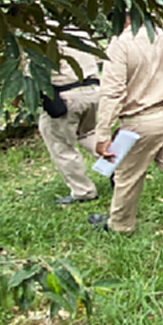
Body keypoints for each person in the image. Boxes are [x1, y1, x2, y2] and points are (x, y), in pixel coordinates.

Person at [88, 14, 163, 243]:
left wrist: (103, 133)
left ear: (126, 15)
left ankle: (120, 226)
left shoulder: (121, 44)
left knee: (127, 176)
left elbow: (112, 93)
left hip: (138, 120)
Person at [38, 27, 102, 205]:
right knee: (88, 133)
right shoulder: (77, 31)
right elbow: (97, 58)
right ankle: (119, 171)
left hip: (65, 95)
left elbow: (32, 72)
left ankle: (83, 191)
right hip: (92, 91)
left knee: (61, 145)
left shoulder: (38, 37)